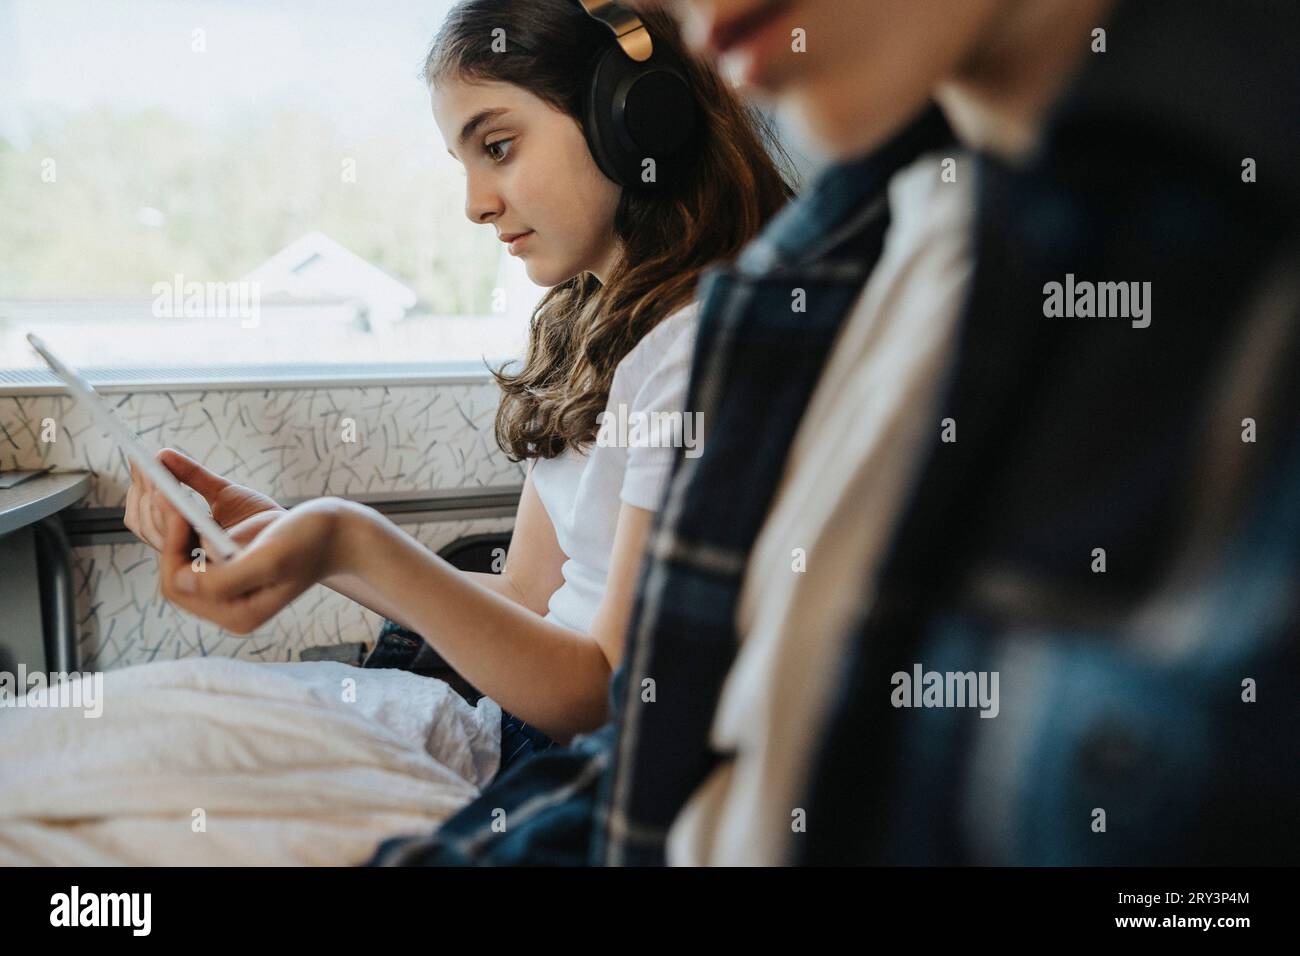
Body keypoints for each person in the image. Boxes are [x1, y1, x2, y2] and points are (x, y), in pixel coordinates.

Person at [371, 0, 1300, 865]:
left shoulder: (1214, 282)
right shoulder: (809, 272)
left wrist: (357, 548)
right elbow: (666, 773)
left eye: (498, 145)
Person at [123, 0, 791, 769]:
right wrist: (299, 533)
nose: (476, 204)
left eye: (498, 147)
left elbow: (608, 689)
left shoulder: (697, 353)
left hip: (577, 759)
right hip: (509, 720)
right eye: (465, 163)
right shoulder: (589, 327)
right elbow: (529, 601)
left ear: (637, 118)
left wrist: (354, 538)